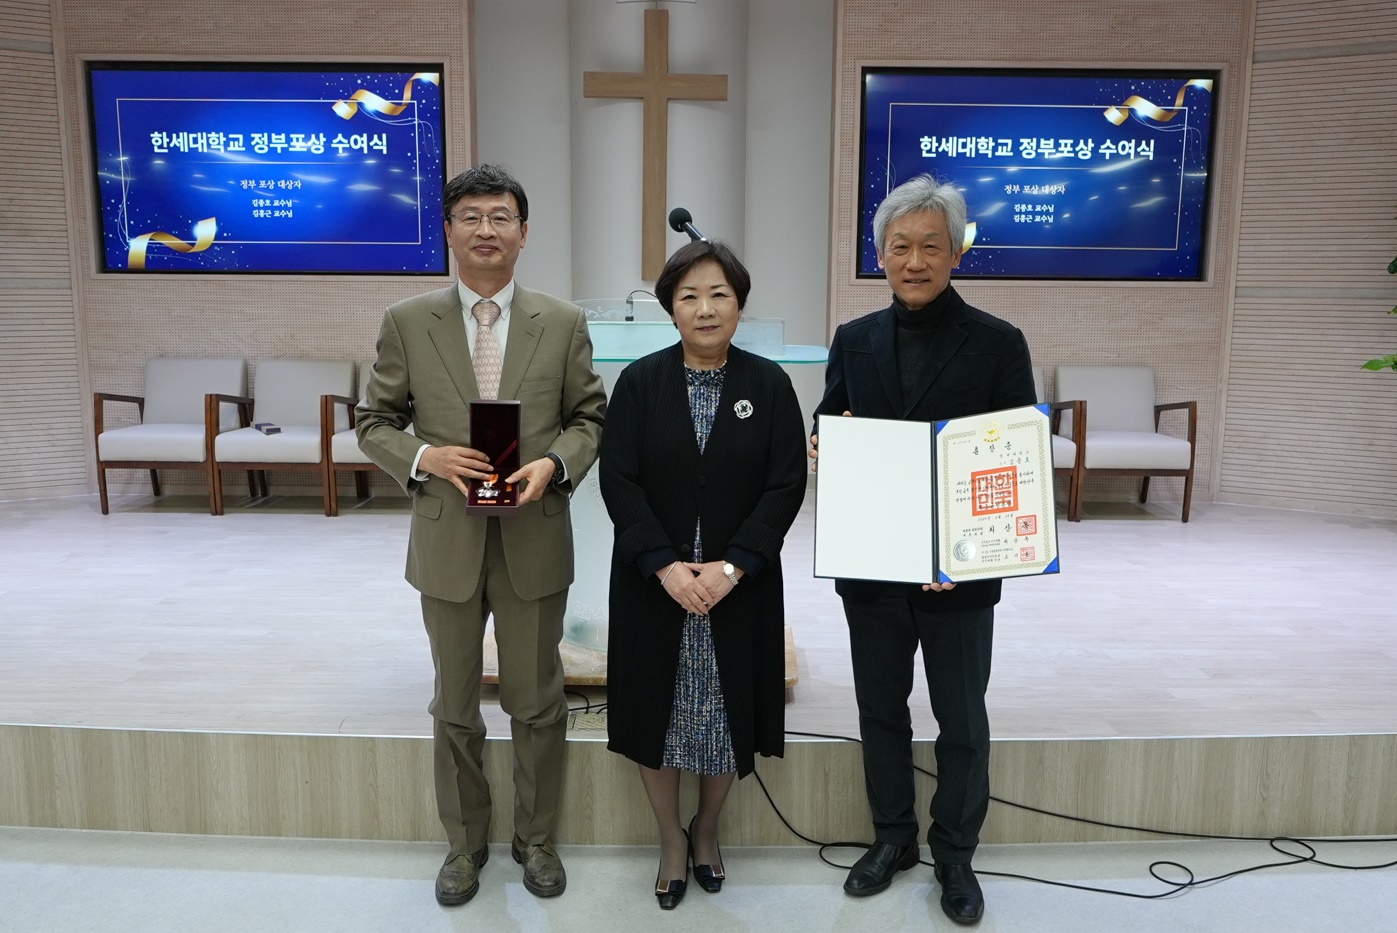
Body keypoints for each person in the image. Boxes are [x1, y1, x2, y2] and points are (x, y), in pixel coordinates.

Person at [356, 164, 606, 907]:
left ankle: (537, 840)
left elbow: (589, 417)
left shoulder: (561, 321)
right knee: (454, 704)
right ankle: (464, 845)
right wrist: (426, 457)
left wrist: (554, 464)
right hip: (447, 540)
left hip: (533, 533)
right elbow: (373, 422)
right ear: (448, 230)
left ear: (523, 233)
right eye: (471, 216)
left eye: (501, 217)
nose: (486, 230)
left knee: (537, 701)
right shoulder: (408, 320)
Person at [811, 174, 1035, 926]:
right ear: (879, 255)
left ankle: (955, 853)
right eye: (899, 246)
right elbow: (830, 417)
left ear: (955, 254)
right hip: (873, 565)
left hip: (959, 573)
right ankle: (892, 839)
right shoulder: (853, 339)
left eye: (929, 246)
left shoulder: (999, 343)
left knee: (961, 717)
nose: (914, 260)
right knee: (880, 709)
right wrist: (822, 441)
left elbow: (1010, 464)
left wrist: (963, 552)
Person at [600, 240, 807, 911]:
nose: (705, 307)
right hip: (654, 584)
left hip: (735, 587)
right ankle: (668, 839)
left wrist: (732, 565)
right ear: (670, 308)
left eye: (718, 293)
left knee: (725, 713)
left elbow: (784, 484)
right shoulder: (638, 382)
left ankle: (707, 830)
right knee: (656, 714)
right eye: (688, 295)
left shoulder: (769, 384)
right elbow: (618, 479)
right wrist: (662, 563)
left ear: (739, 303)